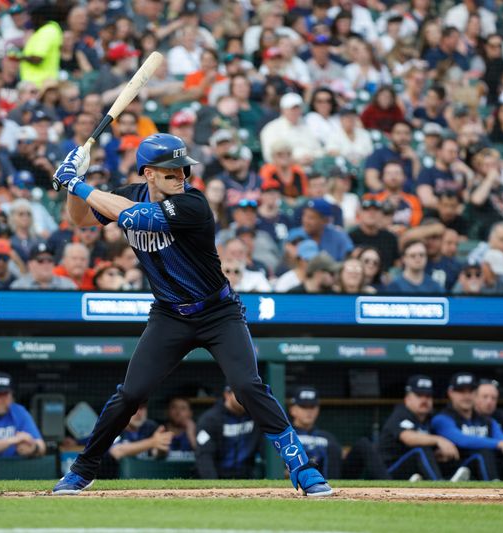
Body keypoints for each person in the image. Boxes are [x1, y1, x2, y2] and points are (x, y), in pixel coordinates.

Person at [52, 133, 332, 496]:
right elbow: (81, 220)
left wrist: (76, 181)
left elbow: (136, 218)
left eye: (183, 168)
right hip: (170, 314)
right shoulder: (128, 192)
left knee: (247, 386)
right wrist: (74, 188)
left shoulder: (194, 204)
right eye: (170, 171)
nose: (180, 174)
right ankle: (82, 470)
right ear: (148, 173)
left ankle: (301, 466)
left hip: (218, 311)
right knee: (130, 393)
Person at [431, 372, 503, 481]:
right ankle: (495, 490)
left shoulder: (487, 421)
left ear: (475, 394)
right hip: (454, 471)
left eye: (470, 391)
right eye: (461, 391)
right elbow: (462, 440)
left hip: (483, 471)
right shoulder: (442, 418)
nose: (466, 396)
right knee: (484, 453)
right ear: (450, 393)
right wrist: (500, 444)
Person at [378, 375, 460, 481]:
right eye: (419, 395)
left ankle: (455, 482)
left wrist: (437, 453)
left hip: (414, 470)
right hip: (390, 471)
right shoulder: (401, 413)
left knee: (445, 457)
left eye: (428, 396)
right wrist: (438, 440)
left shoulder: (430, 418)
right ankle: (439, 484)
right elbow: (408, 438)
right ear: (407, 399)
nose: (424, 400)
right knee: (421, 450)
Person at [195, 387, 262, 479]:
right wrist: (214, 486)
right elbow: (204, 456)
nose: (247, 399)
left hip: (247, 477)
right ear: (227, 395)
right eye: (242, 395)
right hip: (219, 477)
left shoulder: (257, 416)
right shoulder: (209, 420)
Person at [288, 387, 342, 480]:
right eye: (303, 407)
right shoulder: (285, 436)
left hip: (326, 481)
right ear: (293, 410)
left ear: (318, 409)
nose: (309, 411)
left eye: (312, 407)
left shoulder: (327, 437)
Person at [11, 242, 77, 290]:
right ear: (30, 265)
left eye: (49, 260)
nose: (46, 264)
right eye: (40, 260)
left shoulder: (68, 286)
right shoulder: (18, 287)